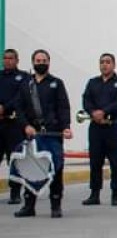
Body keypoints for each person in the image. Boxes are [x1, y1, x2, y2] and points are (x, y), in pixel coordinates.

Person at [14, 49, 72, 218]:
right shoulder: (25, 84)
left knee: (56, 168)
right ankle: (29, 205)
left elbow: (63, 107)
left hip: (52, 134)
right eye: (38, 60)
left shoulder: (56, 83)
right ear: (33, 62)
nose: (41, 63)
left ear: (49, 62)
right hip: (32, 135)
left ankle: (55, 204)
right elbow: (19, 108)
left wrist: (66, 127)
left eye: (44, 60)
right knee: (31, 169)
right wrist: (25, 126)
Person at [81, 53, 117, 206]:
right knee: (95, 161)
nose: (104, 65)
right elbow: (86, 100)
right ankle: (94, 194)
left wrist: (104, 112)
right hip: (96, 127)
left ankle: (116, 194)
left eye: (108, 62)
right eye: (102, 62)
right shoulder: (92, 82)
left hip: (112, 126)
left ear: (114, 65)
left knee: (115, 162)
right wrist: (93, 113)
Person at [0, 49, 29, 205]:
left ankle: (15, 192)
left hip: (14, 124)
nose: (7, 61)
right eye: (5, 58)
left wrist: (5, 108)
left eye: (11, 58)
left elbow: (21, 97)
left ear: (17, 60)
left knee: (15, 160)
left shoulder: (24, 77)